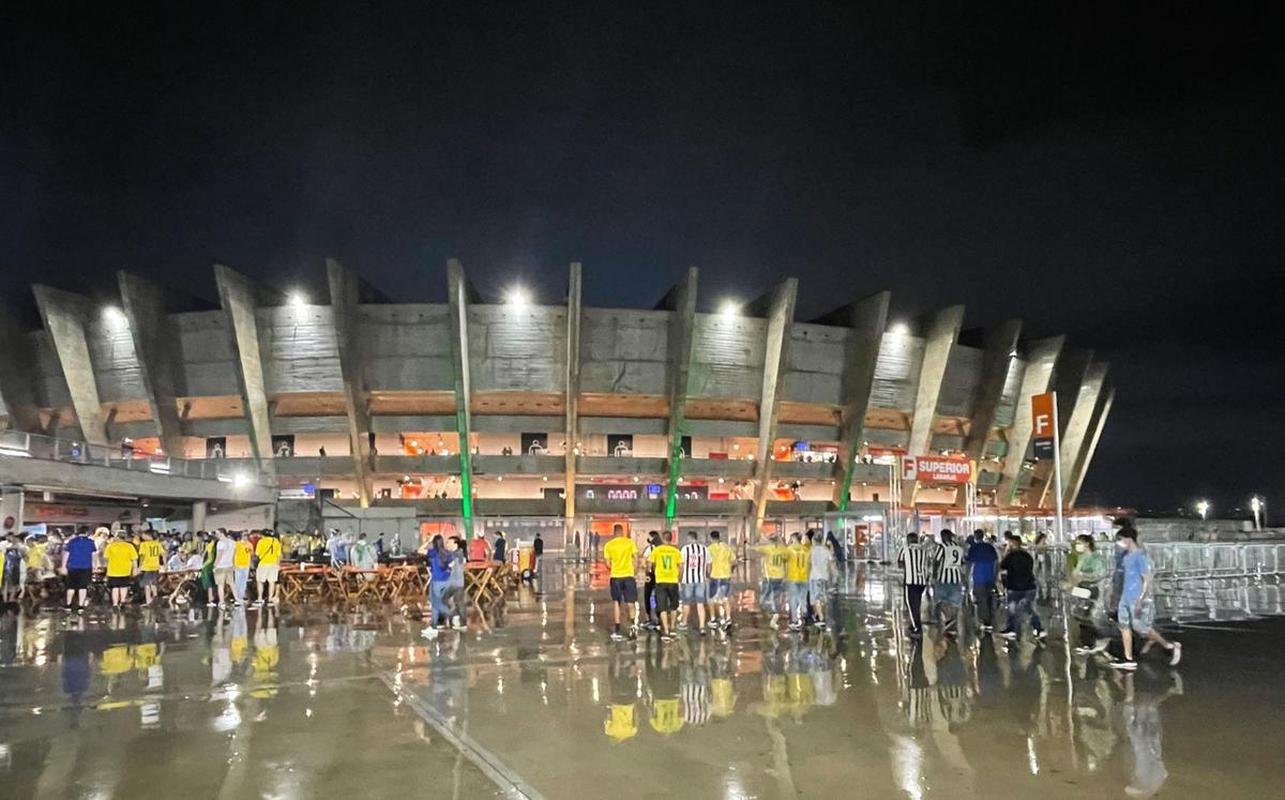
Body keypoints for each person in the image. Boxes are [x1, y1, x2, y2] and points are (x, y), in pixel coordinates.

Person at [1111, 529, 1181, 670]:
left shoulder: (1140, 556)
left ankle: (1169, 645)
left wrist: (1141, 597)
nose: (1119, 543)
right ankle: (1128, 658)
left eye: (1120, 539)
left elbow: (1147, 579)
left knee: (1141, 627)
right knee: (1124, 626)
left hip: (1136, 597)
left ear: (1128, 539)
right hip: (1125, 596)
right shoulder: (1126, 557)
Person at [1069, 534, 1111, 655]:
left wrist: (1084, 576)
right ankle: (1088, 641)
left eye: (1079, 543)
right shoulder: (1081, 557)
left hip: (1091, 589)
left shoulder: (1095, 558)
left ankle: (1093, 639)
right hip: (1082, 588)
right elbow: (1075, 573)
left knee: (1086, 614)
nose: (1077, 546)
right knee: (1079, 614)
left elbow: (1100, 574)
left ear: (1087, 544)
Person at [999, 533, 1046, 641]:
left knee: (1012, 609)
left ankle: (1011, 629)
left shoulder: (1010, 556)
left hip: (1014, 587)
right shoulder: (1027, 555)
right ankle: (1038, 628)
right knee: (1028, 608)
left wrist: (1006, 552)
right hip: (1029, 586)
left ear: (1012, 544)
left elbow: (1002, 566)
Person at [602, 524, 640, 641]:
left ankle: (617, 628)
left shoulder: (609, 545)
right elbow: (636, 557)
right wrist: (635, 569)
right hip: (628, 576)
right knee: (631, 602)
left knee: (617, 602)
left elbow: (607, 563)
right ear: (622, 532)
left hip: (616, 577)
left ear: (614, 532)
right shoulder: (630, 543)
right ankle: (633, 625)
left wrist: (614, 568)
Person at [896, 532, 932, 639]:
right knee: (917, 604)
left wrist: (907, 565)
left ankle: (917, 628)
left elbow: (900, 564)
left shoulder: (905, 549)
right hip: (922, 581)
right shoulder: (924, 550)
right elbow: (928, 563)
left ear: (908, 540)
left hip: (910, 581)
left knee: (910, 605)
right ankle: (914, 624)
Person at [648, 531, 682, 640]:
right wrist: (678, 577)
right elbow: (680, 567)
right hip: (673, 580)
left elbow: (650, 565)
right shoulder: (676, 551)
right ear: (671, 539)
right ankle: (672, 628)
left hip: (660, 581)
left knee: (662, 606)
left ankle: (666, 631)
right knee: (673, 606)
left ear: (663, 539)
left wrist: (655, 572)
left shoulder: (657, 550)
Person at [932, 530, 966, 635]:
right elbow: (962, 562)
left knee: (941, 600)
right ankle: (952, 622)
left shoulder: (942, 547)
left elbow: (936, 561)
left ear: (943, 536)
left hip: (943, 578)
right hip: (956, 578)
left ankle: (946, 619)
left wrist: (934, 575)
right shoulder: (958, 547)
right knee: (954, 602)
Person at [965, 529, 999, 631]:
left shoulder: (973, 548)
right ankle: (990, 617)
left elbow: (969, 563)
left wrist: (967, 577)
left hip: (979, 577)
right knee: (989, 597)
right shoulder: (990, 547)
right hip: (990, 576)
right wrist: (995, 576)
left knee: (981, 599)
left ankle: (986, 621)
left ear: (975, 536)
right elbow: (996, 561)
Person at [755, 533, 789, 629]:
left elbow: (755, 548)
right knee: (776, 597)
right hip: (780, 576)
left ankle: (772, 612)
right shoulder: (783, 549)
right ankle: (775, 615)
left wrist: (753, 542)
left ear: (770, 540)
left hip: (769, 577)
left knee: (763, 600)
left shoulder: (767, 548)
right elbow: (786, 559)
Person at [678, 531, 710, 633]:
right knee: (700, 603)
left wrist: (680, 578)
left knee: (686, 603)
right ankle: (702, 627)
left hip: (687, 580)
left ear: (689, 538)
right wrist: (707, 575)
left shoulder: (684, 549)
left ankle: (684, 623)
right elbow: (709, 564)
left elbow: (681, 566)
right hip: (701, 580)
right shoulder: (704, 549)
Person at [421, 535, 452, 638]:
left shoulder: (433, 552)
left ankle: (436, 624)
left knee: (435, 603)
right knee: (438, 602)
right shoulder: (448, 553)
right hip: (446, 581)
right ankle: (439, 623)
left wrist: (427, 541)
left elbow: (420, 550)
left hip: (436, 581)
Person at [706, 531, 736, 630]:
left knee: (711, 598)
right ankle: (728, 618)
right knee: (725, 598)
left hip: (714, 576)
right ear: (719, 537)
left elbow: (708, 564)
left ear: (711, 538)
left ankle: (713, 619)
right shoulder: (727, 547)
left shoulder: (709, 549)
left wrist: (707, 574)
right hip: (726, 576)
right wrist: (730, 571)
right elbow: (734, 562)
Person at [103, 532, 138, 609]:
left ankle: (115, 604)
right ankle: (122, 601)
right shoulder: (129, 546)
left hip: (113, 571)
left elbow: (106, 558)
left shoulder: (110, 546)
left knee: (115, 588)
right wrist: (135, 569)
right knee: (124, 587)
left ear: (117, 537)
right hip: (125, 571)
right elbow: (134, 559)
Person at [809, 529, 834, 629]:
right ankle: (817, 614)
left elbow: (808, 563)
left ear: (814, 540)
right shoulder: (826, 550)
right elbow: (831, 563)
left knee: (816, 598)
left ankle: (821, 618)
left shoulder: (811, 550)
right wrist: (834, 575)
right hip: (824, 576)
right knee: (822, 596)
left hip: (814, 577)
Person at [785, 532, 811, 631]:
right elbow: (809, 563)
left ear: (794, 538)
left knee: (793, 598)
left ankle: (795, 620)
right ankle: (804, 610)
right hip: (804, 577)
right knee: (803, 597)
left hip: (793, 577)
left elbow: (784, 560)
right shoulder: (806, 550)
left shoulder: (789, 549)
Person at [254, 530, 283, 606]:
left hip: (263, 564)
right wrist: (278, 564)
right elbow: (279, 555)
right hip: (273, 564)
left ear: (263, 535)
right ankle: (270, 599)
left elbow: (257, 554)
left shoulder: (261, 541)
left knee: (260, 581)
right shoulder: (276, 542)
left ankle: (260, 598)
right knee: (272, 582)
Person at [136, 530, 165, 605]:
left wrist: (139, 566)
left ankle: (148, 600)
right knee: (154, 583)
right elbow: (163, 554)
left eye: (144, 535)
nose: (142, 536)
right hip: (155, 566)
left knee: (146, 584)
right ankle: (155, 596)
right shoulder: (157, 544)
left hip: (146, 566)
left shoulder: (144, 544)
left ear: (149, 536)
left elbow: (142, 556)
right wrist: (165, 564)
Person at [641, 531, 661, 629]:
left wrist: (646, 571)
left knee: (647, 596)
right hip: (661, 575)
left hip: (651, 575)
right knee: (660, 596)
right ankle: (659, 618)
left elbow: (643, 562)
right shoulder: (662, 548)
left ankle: (649, 618)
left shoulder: (650, 549)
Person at [214, 530, 237, 606]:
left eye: (217, 533)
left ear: (222, 533)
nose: (216, 535)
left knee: (220, 584)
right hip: (229, 565)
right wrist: (233, 564)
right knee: (232, 583)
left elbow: (219, 556)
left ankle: (221, 601)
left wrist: (215, 566)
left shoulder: (220, 543)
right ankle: (237, 598)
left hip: (220, 566)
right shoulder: (233, 542)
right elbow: (234, 555)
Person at [1, 533, 26, 604]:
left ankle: (8, 599)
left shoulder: (20, 546)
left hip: (12, 566)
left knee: (11, 584)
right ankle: (7, 599)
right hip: (11, 567)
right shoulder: (8, 546)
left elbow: (23, 555)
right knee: (8, 584)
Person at [232, 532, 253, 605]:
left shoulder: (250, 544)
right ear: (241, 536)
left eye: (246, 536)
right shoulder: (237, 544)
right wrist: (233, 564)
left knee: (244, 581)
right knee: (237, 581)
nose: (245, 537)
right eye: (244, 536)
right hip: (238, 565)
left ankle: (241, 595)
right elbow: (233, 554)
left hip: (246, 565)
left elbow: (251, 554)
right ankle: (237, 596)